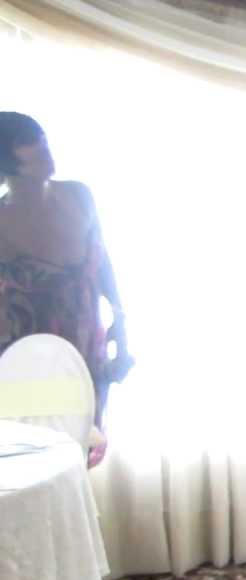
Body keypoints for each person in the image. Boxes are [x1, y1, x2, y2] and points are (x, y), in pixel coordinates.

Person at [0, 112, 132, 425]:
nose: (42, 147)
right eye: (28, 144)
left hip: (85, 343)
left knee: (85, 433)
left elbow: (103, 266)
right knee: (37, 439)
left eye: (41, 139)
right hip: (28, 355)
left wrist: (120, 324)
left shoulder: (79, 195)